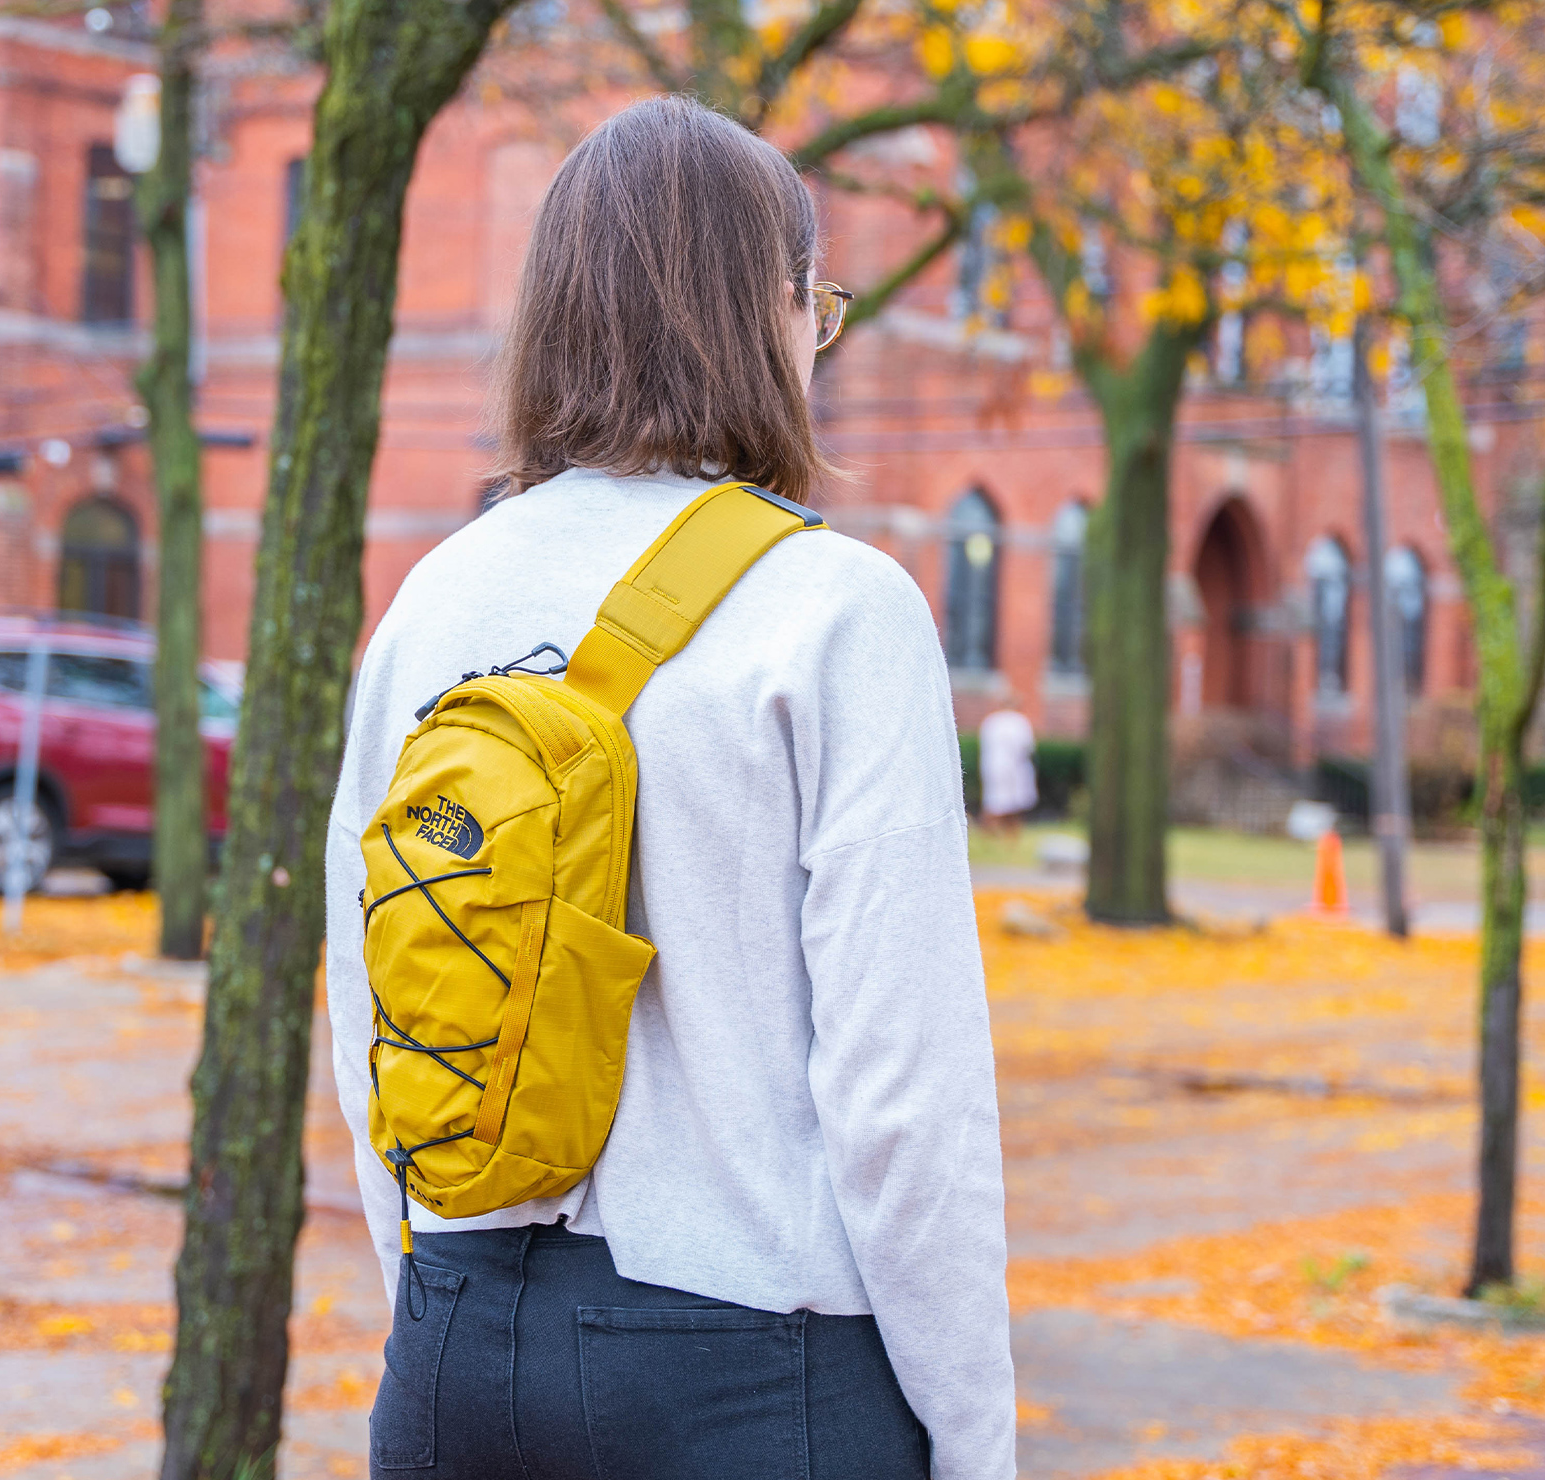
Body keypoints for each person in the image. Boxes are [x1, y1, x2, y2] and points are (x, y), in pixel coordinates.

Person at [324, 95, 1012, 1480]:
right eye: (816, 310)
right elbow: (902, 1101)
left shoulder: (432, 599)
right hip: (753, 1374)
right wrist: (975, 1432)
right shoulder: (837, 610)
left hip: (455, 1345)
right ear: (771, 312)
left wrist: (431, 1287)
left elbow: (371, 1013)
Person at [977, 698, 1038, 842]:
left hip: (993, 767)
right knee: (1010, 804)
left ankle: (994, 836)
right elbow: (1027, 747)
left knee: (996, 801)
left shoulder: (991, 721)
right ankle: (1000, 835)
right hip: (1014, 768)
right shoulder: (1019, 722)